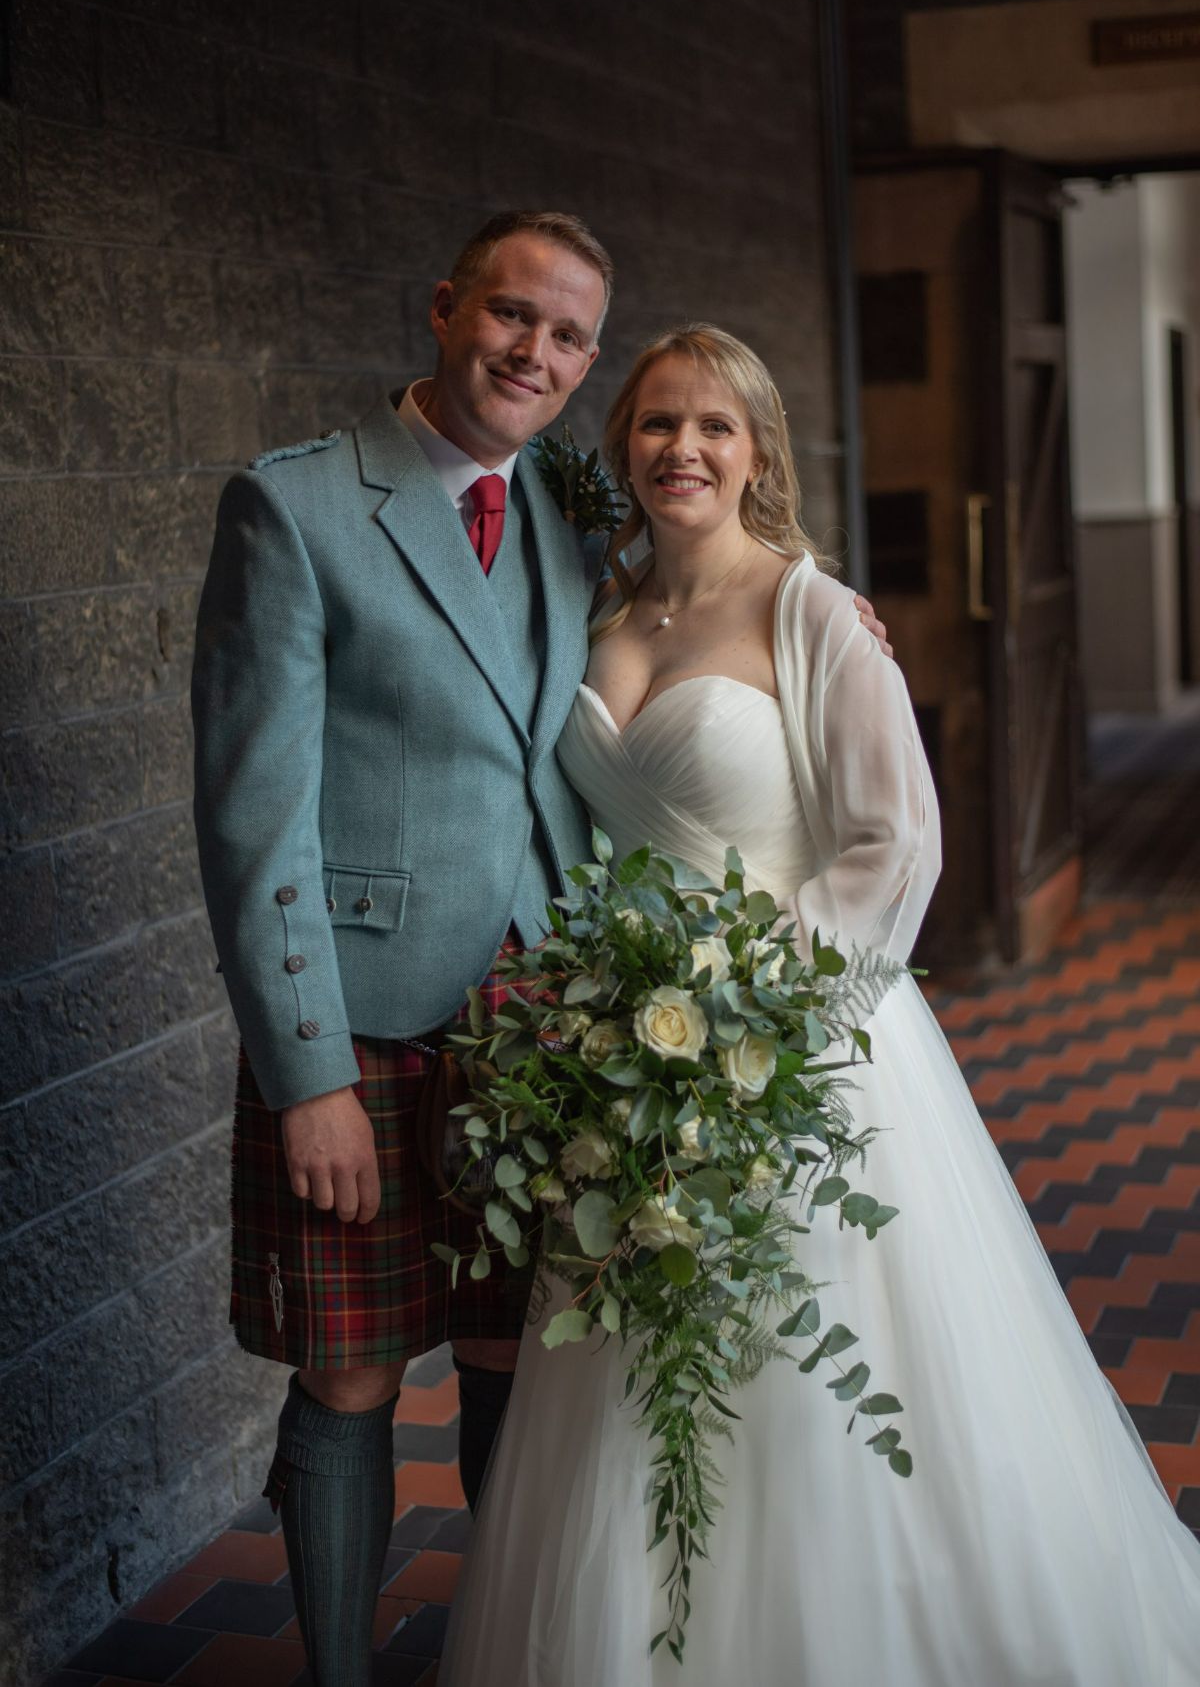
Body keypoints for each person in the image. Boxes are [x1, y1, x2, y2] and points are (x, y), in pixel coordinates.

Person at [191, 209, 895, 1687]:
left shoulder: (577, 520)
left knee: (533, 1367)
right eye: (513, 314)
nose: (536, 352)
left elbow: (713, 593)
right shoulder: (297, 508)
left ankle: (503, 1655)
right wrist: (307, 1076)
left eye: (570, 336)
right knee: (351, 1374)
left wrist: (827, 623)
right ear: (447, 306)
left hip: (547, 1031)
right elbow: (254, 825)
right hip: (364, 1027)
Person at [440, 325, 1200, 1686]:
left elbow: (894, 846)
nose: (682, 447)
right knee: (636, 1368)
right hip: (630, 1052)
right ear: (622, 447)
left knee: (804, 1370)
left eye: (714, 426)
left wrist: (749, 1011)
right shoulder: (600, 611)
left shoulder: (816, 614)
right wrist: (610, 1014)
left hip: (790, 1040)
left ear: (758, 455)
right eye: (657, 422)